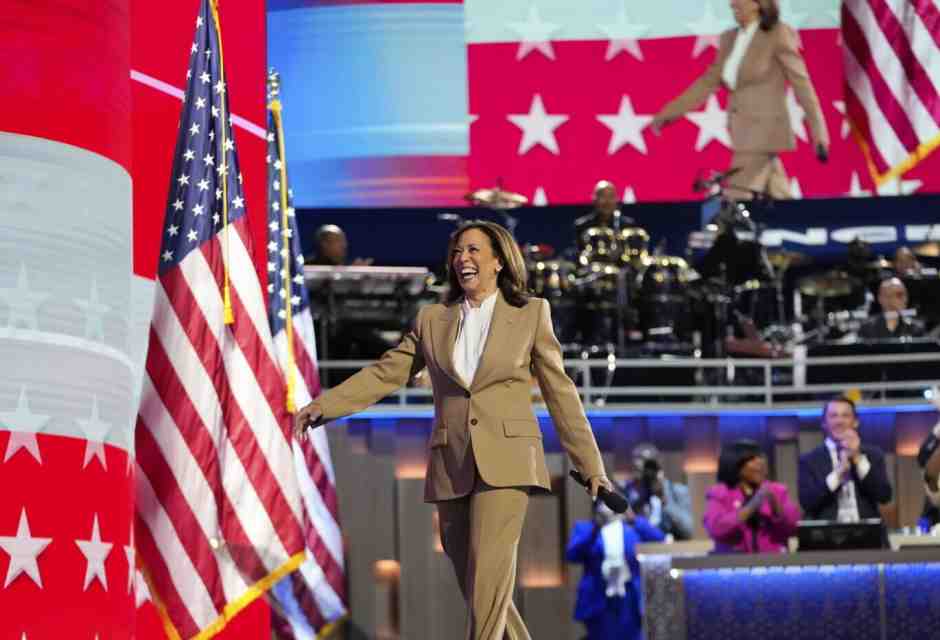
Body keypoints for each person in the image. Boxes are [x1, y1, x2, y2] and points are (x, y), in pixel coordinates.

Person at [295, 220, 612, 640]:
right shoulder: (433, 319)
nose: (463, 258)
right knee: (481, 587)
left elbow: (561, 393)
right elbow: (386, 373)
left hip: (507, 462)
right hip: (452, 463)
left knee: (488, 581)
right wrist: (323, 406)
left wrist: (590, 465)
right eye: (458, 251)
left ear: (499, 261)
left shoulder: (531, 314)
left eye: (474, 250)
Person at [651, 0, 829, 200]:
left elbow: (802, 84)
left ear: (757, 4)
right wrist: (669, 113)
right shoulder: (729, 38)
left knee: (734, 199)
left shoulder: (777, 34)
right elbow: (706, 83)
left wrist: (819, 133)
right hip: (742, 133)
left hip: (763, 134)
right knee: (780, 200)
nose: (732, 3)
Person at [566, 500, 664, 640]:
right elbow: (572, 555)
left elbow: (660, 540)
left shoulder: (631, 528)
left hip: (629, 595)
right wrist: (595, 527)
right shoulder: (586, 529)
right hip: (598, 595)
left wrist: (633, 519)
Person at [798, 396, 893, 522]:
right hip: (826, 532)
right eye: (833, 416)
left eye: (845, 415)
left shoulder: (874, 455)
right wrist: (838, 474)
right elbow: (807, 502)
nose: (839, 421)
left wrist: (858, 458)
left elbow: (884, 496)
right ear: (824, 423)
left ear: (856, 422)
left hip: (867, 531)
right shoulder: (809, 460)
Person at [704, 439, 800, 553]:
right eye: (752, 459)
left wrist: (775, 505)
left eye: (760, 457)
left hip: (773, 560)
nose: (759, 462)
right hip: (733, 561)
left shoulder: (778, 491)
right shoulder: (720, 493)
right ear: (735, 464)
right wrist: (752, 505)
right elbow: (716, 529)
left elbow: (794, 528)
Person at [622, 443, 694, 541]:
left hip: (671, 548)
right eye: (637, 470)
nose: (638, 464)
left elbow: (689, 530)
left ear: (657, 468)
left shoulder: (677, 491)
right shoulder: (628, 492)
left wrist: (664, 499)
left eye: (647, 467)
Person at [573, 180, 634, 252]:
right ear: (594, 199)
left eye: (611, 196)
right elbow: (576, 252)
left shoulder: (627, 225)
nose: (607, 201)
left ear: (617, 199)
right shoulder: (582, 225)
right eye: (602, 196)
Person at [859, 277, 925, 340]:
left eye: (902, 295)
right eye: (899, 295)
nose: (904, 299)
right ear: (881, 298)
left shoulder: (915, 328)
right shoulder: (867, 328)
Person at [307, 223, 373, 266]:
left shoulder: (345, 265)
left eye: (344, 241)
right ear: (324, 244)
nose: (344, 245)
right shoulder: (307, 267)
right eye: (338, 240)